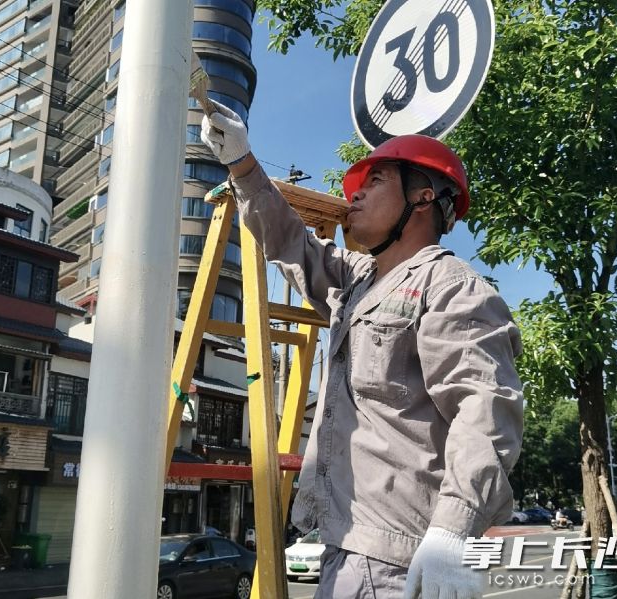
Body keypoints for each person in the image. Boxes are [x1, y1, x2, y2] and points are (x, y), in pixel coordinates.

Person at [200, 101, 524, 599]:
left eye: (376, 182)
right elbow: (291, 244)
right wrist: (244, 164)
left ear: (422, 197)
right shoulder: (358, 281)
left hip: (399, 557)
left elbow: (485, 410)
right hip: (344, 545)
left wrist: (452, 530)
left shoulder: (451, 287)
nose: (355, 194)